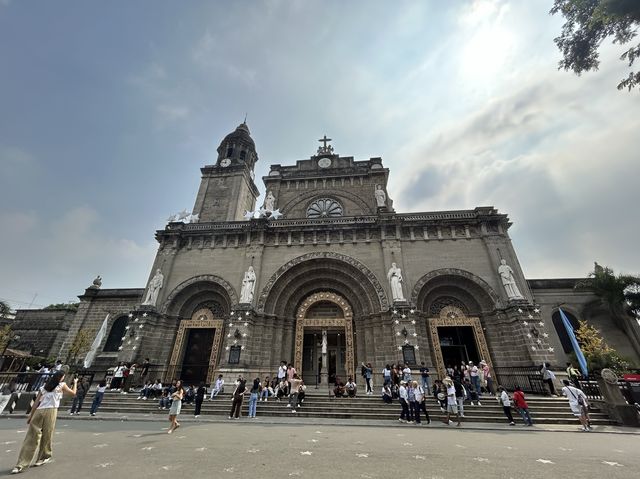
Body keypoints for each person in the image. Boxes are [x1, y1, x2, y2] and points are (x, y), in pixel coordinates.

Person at [12, 370, 78, 474]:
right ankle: (43, 457)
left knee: (31, 437)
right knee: (47, 434)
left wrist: (31, 416)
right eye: (63, 377)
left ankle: (21, 464)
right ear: (60, 377)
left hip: (39, 411)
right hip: (51, 411)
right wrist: (76, 382)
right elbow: (73, 393)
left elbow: (36, 403)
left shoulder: (44, 387)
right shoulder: (62, 385)